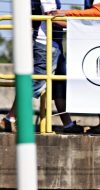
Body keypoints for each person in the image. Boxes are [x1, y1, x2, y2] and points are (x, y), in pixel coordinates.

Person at [3, 0, 84, 134]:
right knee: (36, 82)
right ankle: (9, 118)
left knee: (59, 84)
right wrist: (79, 26)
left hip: (53, 43)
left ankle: (68, 124)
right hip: (47, 44)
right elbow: (51, 17)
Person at [52, 0, 100, 134]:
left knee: (98, 81)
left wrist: (65, 14)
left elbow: (97, 13)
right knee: (62, 79)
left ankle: (11, 118)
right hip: (96, 40)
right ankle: (72, 124)